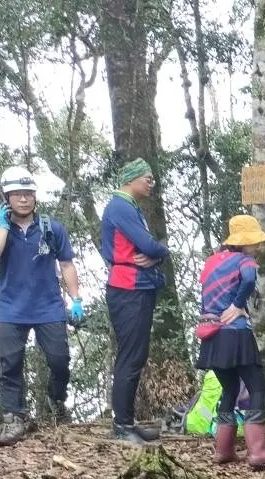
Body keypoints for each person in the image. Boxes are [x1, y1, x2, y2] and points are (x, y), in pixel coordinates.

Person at [0, 167, 85, 446]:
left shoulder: (52, 228)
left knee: (60, 360)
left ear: (35, 197)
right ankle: (14, 417)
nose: (23, 199)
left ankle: (56, 399)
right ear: (6, 198)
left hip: (49, 307)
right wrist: (4, 227)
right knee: (10, 364)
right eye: (17, 194)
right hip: (10, 308)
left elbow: (67, 264)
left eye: (28, 194)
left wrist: (76, 299)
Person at [196, 215, 265, 468]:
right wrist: (237, 305)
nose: (257, 245)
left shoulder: (212, 261)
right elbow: (247, 279)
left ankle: (223, 450)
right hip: (235, 333)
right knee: (256, 386)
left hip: (212, 335)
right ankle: (258, 451)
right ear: (244, 242)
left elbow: (205, 295)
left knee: (229, 388)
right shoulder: (245, 261)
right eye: (254, 241)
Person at [101, 157, 170, 444]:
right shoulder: (120, 207)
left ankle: (127, 421)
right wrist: (161, 251)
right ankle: (122, 426)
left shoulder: (130, 207)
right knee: (131, 355)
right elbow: (149, 245)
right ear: (131, 179)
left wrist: (155, 256)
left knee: (136, 354)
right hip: (128, 287)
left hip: (139, 285)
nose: (151, 184)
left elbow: (149, 251)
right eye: (147, 179)